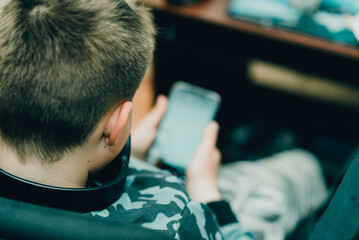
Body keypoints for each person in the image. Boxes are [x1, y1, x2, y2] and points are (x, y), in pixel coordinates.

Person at [0, 0, 327, 239]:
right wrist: (208, 193)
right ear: (117, 125)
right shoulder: (176, 216)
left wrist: (132, 161)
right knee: (302, 169)